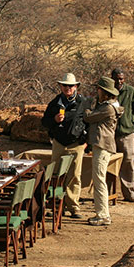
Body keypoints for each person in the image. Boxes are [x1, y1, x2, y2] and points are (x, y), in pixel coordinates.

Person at [41, 73, 87, 219]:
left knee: (74, 176)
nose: (68, 88)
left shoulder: (83, 103)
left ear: (76, 86)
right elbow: (44, 122)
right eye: (65, 86)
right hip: (59, 143)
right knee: (55, 175)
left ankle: (73, 207)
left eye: (71, 86)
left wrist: (86, 142)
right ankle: (55, 206)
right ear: (60, 86)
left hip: (76, 144)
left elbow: (90, 123)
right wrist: (54, 120)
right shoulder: (54, 103)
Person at [81, 77, 124, 226]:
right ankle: (102, 214)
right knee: (99, 179)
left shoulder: (108, 108)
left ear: (104, 91)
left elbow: (88, 117)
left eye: (99, 89)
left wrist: (86, 106)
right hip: (103, 145)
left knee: (99, 180)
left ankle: (103, 215)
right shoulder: (109, 106)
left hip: (102, 145)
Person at [111, 68, 134, 203]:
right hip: (110, 134)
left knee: (128, 162)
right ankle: (106, 194)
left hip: (127, 133)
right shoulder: (107, 91)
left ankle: (129, 193)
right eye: (116, 79)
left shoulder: (130, 91)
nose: (119, 81)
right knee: (109, 164)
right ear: (112, 78)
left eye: (121, 79)